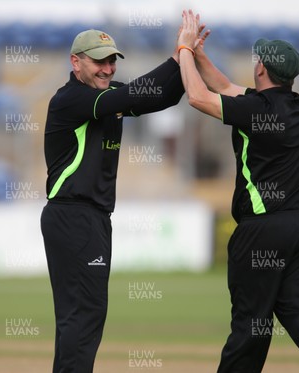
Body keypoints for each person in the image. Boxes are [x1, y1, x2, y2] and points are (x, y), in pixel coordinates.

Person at [176, 10, 299, 373]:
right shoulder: (293, 106)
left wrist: (184, 50)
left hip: (264, 229)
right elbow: (224, 88)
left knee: (251, 323)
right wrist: (201, 56)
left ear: (261, 70)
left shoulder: (255, 109)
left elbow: (197, 96)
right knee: (296, 308)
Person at [40, 29, 184, 372]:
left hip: (91, 219)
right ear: (75, 62)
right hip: (73, 216)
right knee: (84, 313)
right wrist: (176, 58)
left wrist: (188, 59)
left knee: (82, 314)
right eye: (98, 61)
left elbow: (162, 96)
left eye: (111, 61)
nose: (107, 68)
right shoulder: (71, 99)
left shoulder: (107, 96)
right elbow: (129, 97)